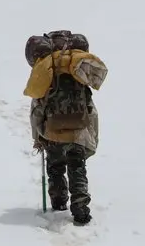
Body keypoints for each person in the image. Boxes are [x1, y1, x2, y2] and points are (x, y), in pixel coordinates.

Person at [23, 30, 108, 226]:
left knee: (55, 168)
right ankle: (80, 209)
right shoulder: (78, 72)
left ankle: (58, 203)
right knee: (78, 168)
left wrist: (38, 136)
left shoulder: (47, 73)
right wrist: (91, 137)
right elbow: (91, 110)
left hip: (53, 132)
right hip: (78, 131)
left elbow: (37, 110)